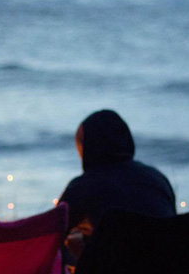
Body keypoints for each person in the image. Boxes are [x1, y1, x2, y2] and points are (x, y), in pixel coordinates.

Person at [59, 109, 177, 260]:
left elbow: (51, 235)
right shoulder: (157, 178)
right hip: (167, 273)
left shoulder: (83, 187)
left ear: (87, 148)